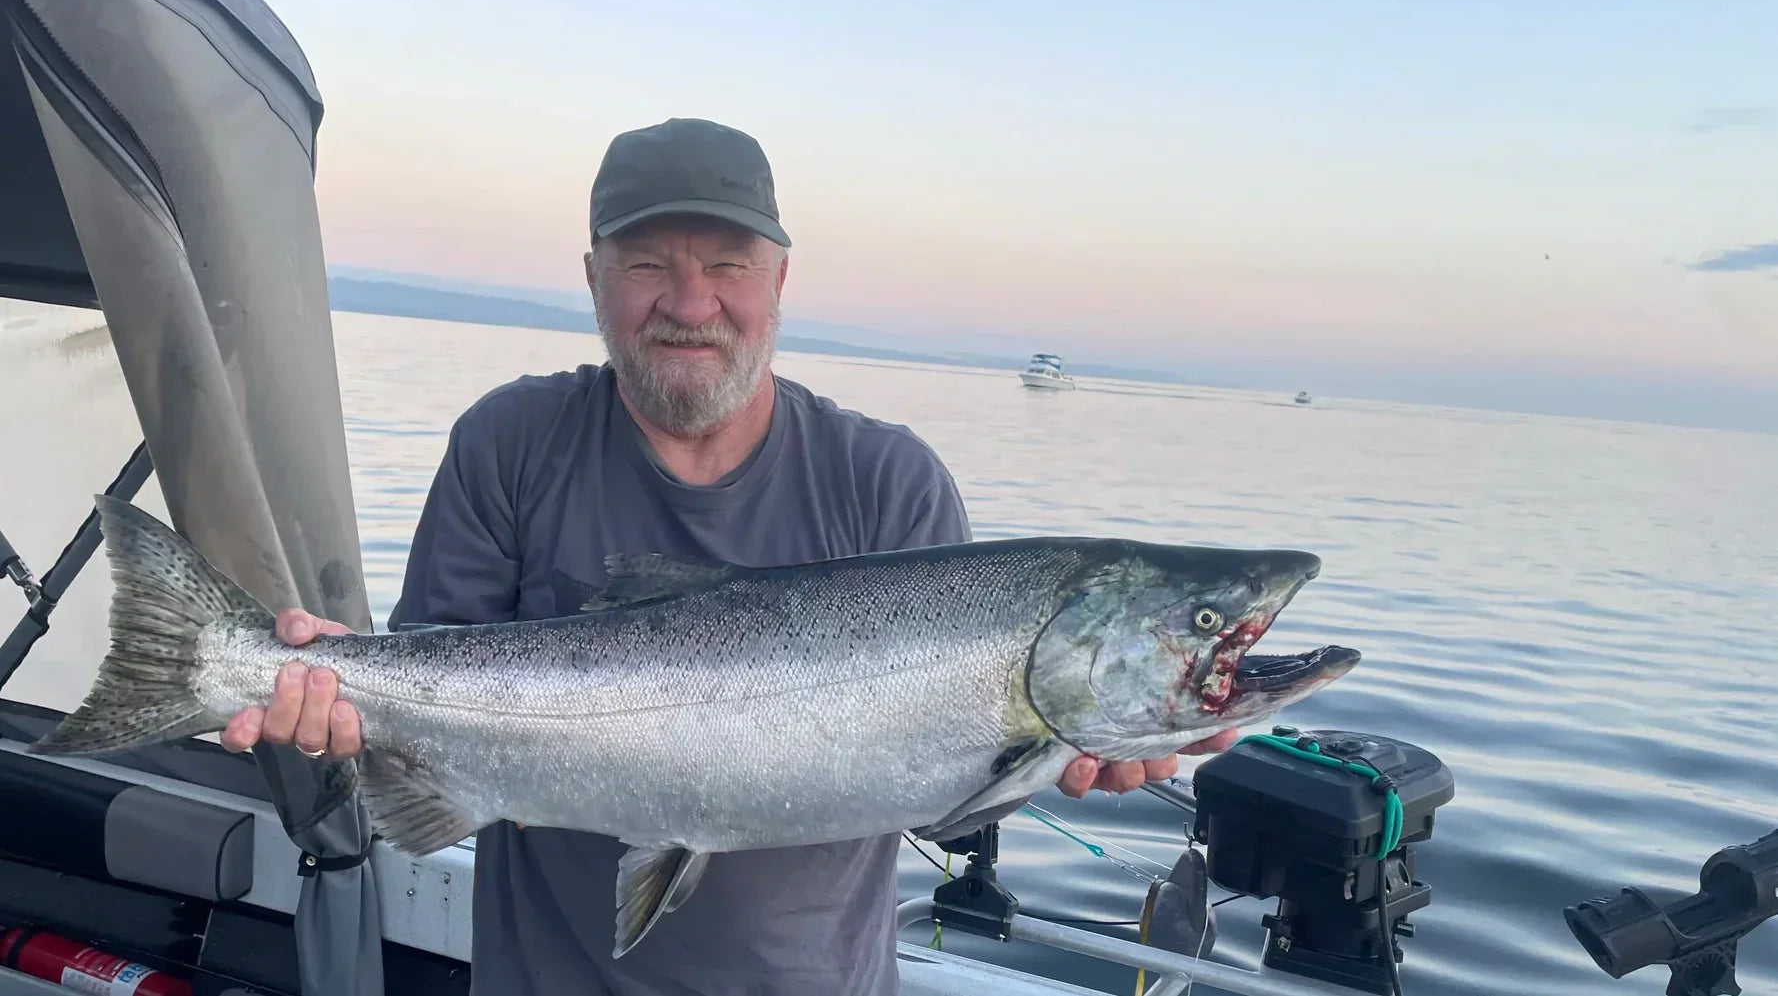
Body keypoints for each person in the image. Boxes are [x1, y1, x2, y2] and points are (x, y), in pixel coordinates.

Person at [217, 117, 1236, 995]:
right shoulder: (510, 441)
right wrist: (329, 699)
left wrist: (1070, 754)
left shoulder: (888, 482)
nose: (690, 301)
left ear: (779, 279)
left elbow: (948, 791)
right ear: (593, 277)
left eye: (728, 264)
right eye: (647, 264)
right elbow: (417, 703)